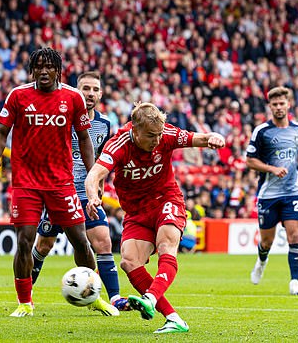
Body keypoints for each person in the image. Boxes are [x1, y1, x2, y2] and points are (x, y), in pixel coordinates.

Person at [0, 48, 118, 317]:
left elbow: (84, 139)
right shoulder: (18, 95)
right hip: (26, 183)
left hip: (62, 184)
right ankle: (25, 302)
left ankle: (92, 297)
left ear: (58, 70)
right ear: (32, 70)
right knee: (25, 241)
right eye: (38, 67)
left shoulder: (73, 98)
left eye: (49, 67)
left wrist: (92, 176)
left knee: (81, 241)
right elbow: (1, 132)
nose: (43, 71)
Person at [85, 102, 225, 333]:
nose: (157, 140)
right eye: (151, 135)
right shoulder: (119, 144)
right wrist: (92, 198)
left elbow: (199, 138)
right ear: (135, 130)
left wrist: (214, 137)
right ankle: (173, 318)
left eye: (159, 134)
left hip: (166, 200)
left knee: (166, 243)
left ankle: (150, 298)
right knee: (129, 261)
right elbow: (95, 175)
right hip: (137, 212)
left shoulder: (167, 134)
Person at [30, 71, 130, 312]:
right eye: (86, 88)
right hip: (57, 191)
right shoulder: (60, 118)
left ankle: (113, 298)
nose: (90, 94)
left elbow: (101, 160)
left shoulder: (104, 125)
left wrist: (98, 191)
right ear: (76, 91)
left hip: (87, 193)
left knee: (102, 242)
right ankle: (26, 295)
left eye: (95, 89)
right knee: (44, 245)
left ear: (101, 94)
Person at [246, 86, 298, 295]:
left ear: (289, 104)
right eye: (274, 104)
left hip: (293, 191)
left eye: (281, 103)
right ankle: (261, 260)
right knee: (267, 240)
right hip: (269, 193)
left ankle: (295, 281)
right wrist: (272, 168)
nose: (278, 107)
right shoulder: (262, 131)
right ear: (270, 106)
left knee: (294, 235)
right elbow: (249, 160)